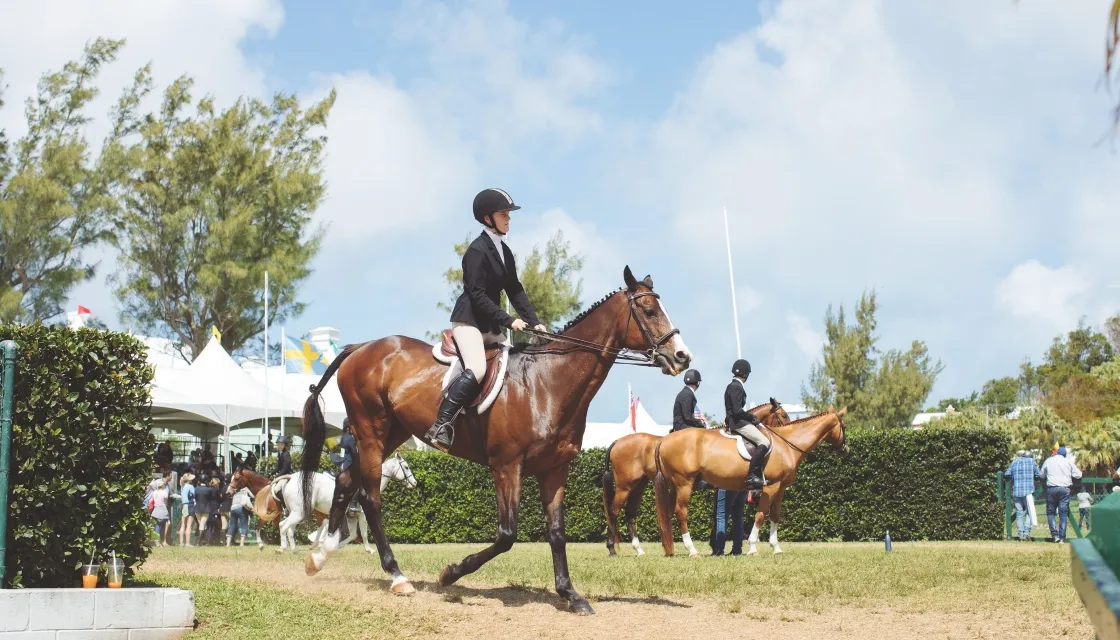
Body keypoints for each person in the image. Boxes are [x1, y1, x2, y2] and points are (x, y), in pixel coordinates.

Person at [425, 188, 548, 452]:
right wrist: (509, 320)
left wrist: (534, 321)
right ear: (488, 218)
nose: (508, 219)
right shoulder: (476, 251)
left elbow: (515, 289)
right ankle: (442, 424)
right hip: (469, 321)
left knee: (514, 366)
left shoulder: (504, 251)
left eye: (508, 215)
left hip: (489, 325)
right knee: (478, 369)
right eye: (503, 214)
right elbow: (477, 295)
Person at [724, 358, 771, 489]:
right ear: (746, 374)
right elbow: (737, 411)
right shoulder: (736, 387)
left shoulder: (733, 386)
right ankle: (752, 475)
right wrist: (753, 418)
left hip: (735, 421)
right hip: (738, 423)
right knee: (764, 442)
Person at [1040, 447, 1082, 544]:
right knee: (1063, 514)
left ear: (1056, 453)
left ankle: (1055, 536)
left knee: (1051, 513)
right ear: (1065, 454)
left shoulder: (1048, 460)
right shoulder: (1068, 461)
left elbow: (1041, 474)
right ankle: (1062, 538)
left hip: (1052, 488)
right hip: (1064, 489)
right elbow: (1078, 475)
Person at [1003, 450, 1040, 541]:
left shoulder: (1015, 461)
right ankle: (1026, 533)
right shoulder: (1032, 461)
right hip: (1028, 492)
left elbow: (1007, 474)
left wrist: (1014, 477)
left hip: (1016, 491)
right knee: (1029, 512)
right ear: (1030, 456)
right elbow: (1038, 474)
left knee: (1019, 514)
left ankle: (1020, 535)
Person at [709, 488, 747, 556]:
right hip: (743, 485)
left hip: (726, 485)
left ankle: (719, 550)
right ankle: (737, 550)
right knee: (738, 517)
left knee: (721, 516)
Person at [149, 479, 171, 547]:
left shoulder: (154, 492)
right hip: (163, 510)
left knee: (157, 526)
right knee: (164, 526)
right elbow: (166, 502)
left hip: (155, 510)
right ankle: (162, 540)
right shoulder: (164, 493)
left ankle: (156, 541)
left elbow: (152, 500)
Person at [178, 473, 197, 547]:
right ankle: (187, 543)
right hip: (190, 505)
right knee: (189, 526)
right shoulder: (191, 486)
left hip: (184, 505)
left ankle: (181, 543)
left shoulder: (182, 486)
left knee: (183, 525)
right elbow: (194, 495)